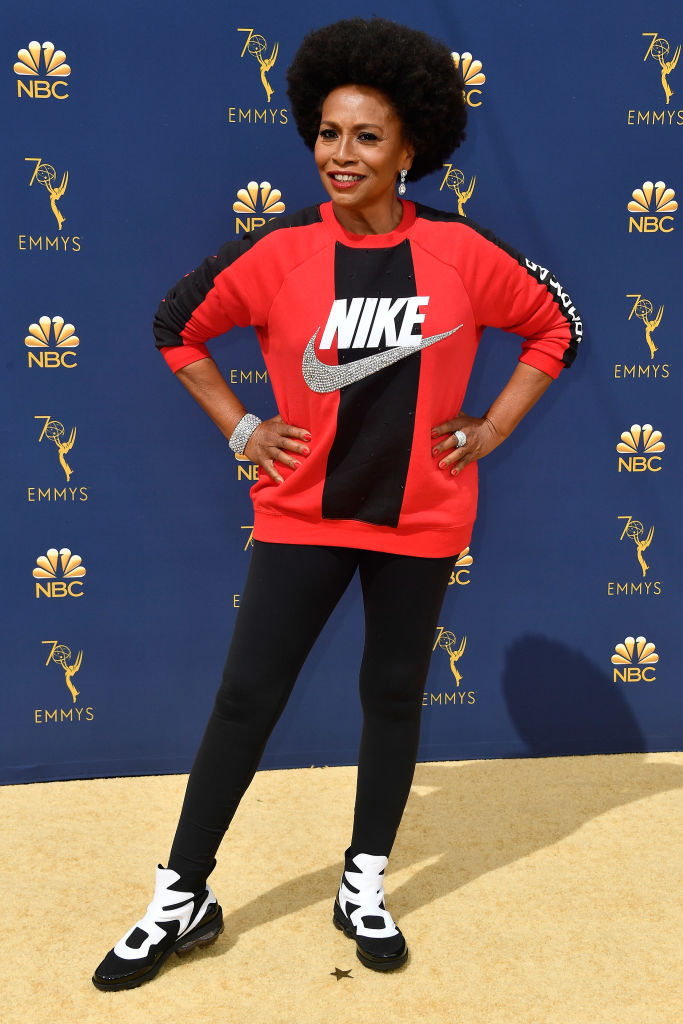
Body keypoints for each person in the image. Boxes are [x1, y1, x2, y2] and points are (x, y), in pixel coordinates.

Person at [93, 17, 581, 990]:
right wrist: (241, 427)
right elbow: (174, 327)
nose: (340, 153)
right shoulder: (277, 251)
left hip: (420, 517)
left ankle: (362, 879)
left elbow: (552, 327)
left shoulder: (459, 251)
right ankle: (181, 895)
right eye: (326, 132)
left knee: (392, 696)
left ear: (411, 150)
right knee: (244, 701)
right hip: (301, 516)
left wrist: (486, 431)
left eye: (365, 136)